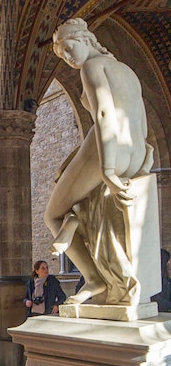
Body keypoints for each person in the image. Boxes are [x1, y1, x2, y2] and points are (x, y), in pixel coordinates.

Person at [45, 18, 154, 305]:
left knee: (51, 215)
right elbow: (141, 118)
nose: (67, 57)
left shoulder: (93, 67)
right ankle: (75, 219)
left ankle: (92, 279)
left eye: (69, 47)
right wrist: (139, 158)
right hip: (134, 149)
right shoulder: (127, 71)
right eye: (61, 54)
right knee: (69, 178)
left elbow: (104, 113)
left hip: (105, 149)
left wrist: (107, 170)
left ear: (86, 39)